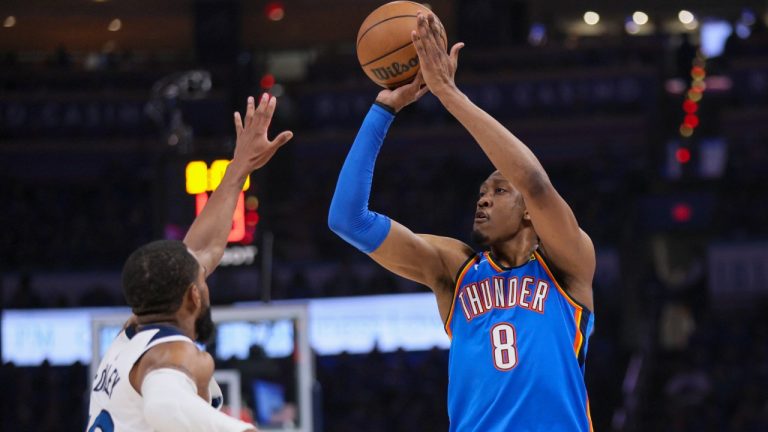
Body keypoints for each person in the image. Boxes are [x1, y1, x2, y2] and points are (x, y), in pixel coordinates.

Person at [328, 12, 595, 432]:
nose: (484, 200)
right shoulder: (455, 269)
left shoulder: (566, 265)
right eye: (481, 194)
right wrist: (383, 110)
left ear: (529, 212)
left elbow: (535, 182)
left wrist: (448, 94)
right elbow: (349, 220)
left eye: (499, 191)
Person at [86, 94, 293, 432]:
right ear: (194, 296)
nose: (206, 272)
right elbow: (165, 407)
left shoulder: (131, 336)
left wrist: (239, 168)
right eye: (203, 279)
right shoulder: (171, 354)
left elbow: (201, 249)